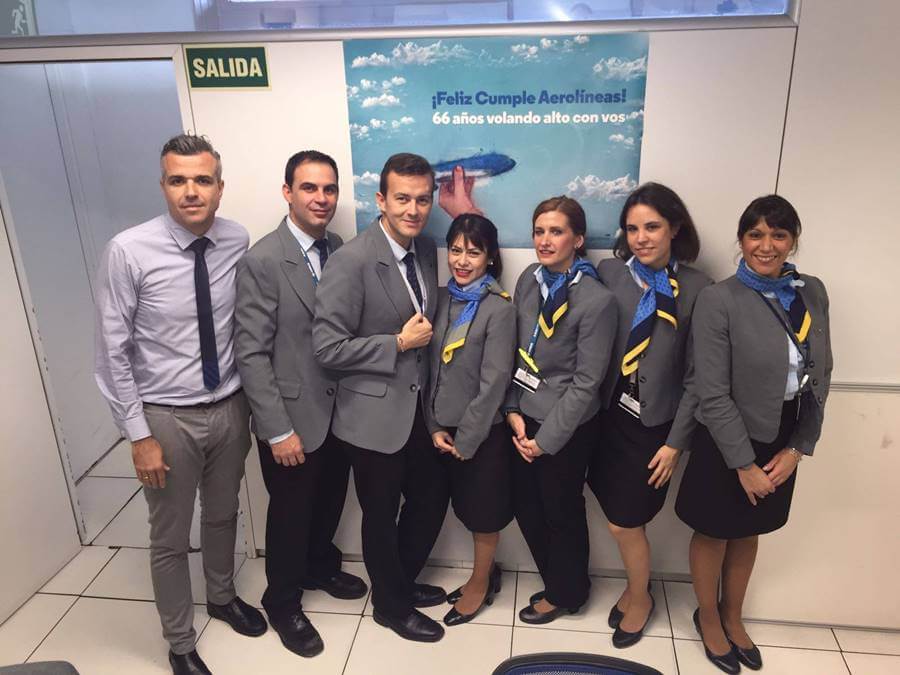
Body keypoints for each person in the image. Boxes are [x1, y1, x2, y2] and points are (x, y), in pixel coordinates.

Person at [94, 134, 266, 675]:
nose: (191, 192)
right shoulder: (128, 250)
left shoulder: (237, 240)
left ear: (219, 186)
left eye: (202, 180)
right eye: (178, 180)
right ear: (163, 184)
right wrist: (139, 436)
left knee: (222, 514)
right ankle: (179, 641)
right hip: (165, 418)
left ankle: (220, 596)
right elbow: (111, 352)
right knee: (169, 536)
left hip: (230, 407)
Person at [675, 195, 832, 673]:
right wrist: (742, 464)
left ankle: (733, 615)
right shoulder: (718, 299)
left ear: (793, 240)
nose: (767, 246)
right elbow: (711, 389)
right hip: (727, 434)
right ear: (742, 240)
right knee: (714, 530)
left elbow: (821, 372)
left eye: (778, 235)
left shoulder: (813, 291)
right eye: (756, 235)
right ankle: (708, 617)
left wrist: (799, 447)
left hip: (782, 433)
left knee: (749, 530)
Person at [234, 150, 368, 658]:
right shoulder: (263, 260)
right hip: (291, 418)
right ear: (287, 192)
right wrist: (276, 430)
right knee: (290, 512)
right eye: (309, 188)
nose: (321, 198)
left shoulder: (337, 248)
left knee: (330, 498)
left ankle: (317, 565)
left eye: (329, 189)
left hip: (338, 413)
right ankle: (283, 599)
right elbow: (250, 352)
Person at [312, 153, 450, 643]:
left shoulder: (428, 248)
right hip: (369, 414)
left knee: (432, 496)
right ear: (381, 200)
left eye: (422, 198)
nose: (413, 209)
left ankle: (399, 583)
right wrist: (394, 343)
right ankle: (391, 608)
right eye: (403, 198)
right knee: (380, 511)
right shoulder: (350, 260)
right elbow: (326, 348)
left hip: (417, 410)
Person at [589, 183, 712, 648]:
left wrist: (676, 443)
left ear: (675, 228)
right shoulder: (610, 274)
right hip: (606, 413)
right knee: (614, 514)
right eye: (632, 228)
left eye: (652, 227)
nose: (641, 237)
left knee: (626, 520)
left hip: (655, 424)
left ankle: (641, 598)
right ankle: (634, 586)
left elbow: (699, 377)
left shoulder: (699, 288)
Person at [503, 196, 617, 625]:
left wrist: (545, 440)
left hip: (566, 426)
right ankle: (557, 579)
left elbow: (588, 384)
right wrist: (512, 409)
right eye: (539, 231)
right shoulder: (529, 281)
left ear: (579, 239)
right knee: (526, 505)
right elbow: (517, 352)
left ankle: (569, 593)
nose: (545, 241)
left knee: (560, 511)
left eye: (556, 232)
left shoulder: (596, 301)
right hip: (523, 415)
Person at [425, 214, 517, 626]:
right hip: (441, 429)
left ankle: (480, 583)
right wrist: (433, 424)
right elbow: (430, 369)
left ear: (490, 257)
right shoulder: (441, 297)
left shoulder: (499, 309)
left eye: (474, 252)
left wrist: (469, 438)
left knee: (483, 513)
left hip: (481, 435)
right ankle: (486, 572)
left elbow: (494, 382)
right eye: (457, 250)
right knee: (462, 509)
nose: (462, 261)